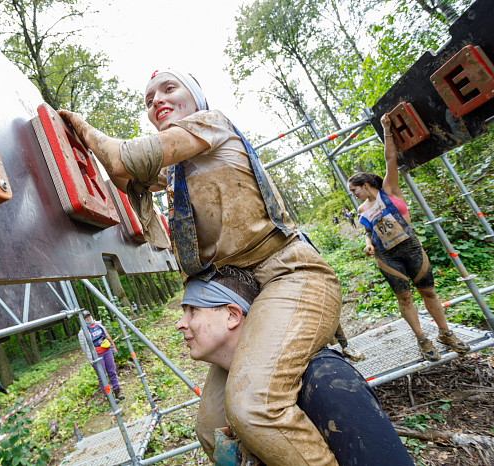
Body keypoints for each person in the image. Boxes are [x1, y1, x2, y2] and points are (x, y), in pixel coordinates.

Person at [60, 69, 341, 464]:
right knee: (212, 429)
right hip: (242, 297)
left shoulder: (212, 123)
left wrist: (80, 128)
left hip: (289, 273)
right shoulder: (175, 174)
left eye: (169, 88)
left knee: (254, 408)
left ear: (196, 98)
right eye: (148, 99)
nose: (156, 99)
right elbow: (125, 177)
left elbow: (125, 159)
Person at [176, 269, 413, 465]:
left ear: (232, 315)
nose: (180, 324)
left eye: (193, 310)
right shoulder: (233, 392)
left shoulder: (324, 380)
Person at [347, 113, 470, 361]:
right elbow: (368, 230)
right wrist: (368, 243)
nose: (354, 195)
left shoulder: (389, 190)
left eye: (354, 189)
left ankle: (445, 333)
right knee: (404, 298)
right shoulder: (362, 211)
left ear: (365, 184)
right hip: (387, 257)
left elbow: (390, 157)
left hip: (411, 248)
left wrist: (386, 129)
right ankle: (422, 339)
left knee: (430, 293)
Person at [78, 310, 125, 401]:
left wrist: (112, 347)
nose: (88, 318)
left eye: (88, 316)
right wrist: (91, 356)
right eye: (85, 318)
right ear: (82, 320)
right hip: (96, 356)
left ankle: (117, 392)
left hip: (107, 351)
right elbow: (83, 347)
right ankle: (109, 396)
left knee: (112, 371)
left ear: (91, 316)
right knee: (102, 375)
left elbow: (107, 336)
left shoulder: (99, 325)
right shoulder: (82, 332)